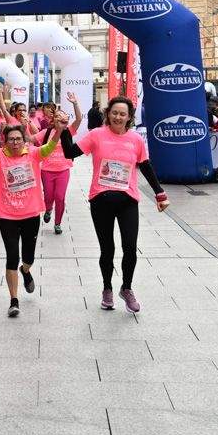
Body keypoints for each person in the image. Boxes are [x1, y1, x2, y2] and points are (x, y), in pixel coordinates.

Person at [72, 95, 168, 313]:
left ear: (129, 117)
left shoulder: (135, 139)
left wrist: (160, 193)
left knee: (130, 248)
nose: (118, 117)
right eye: (114, 112)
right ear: (108, 114)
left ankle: (126, 288)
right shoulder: (96, 135)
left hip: (128, 201)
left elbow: (145, 166)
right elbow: (70, 152)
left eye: (122, 114)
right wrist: (61, 130)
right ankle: (107, 289)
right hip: (101, 200)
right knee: (107, 249)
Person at [0, 117, 74, 318]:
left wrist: (59, 131)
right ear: (5, 141)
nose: (15, 143)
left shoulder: (33, 153)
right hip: (7, 216)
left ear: (24, 140)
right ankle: (14, 300)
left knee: (28, 258)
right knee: (12, 256)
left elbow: (49, 147)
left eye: (18, 139)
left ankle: (25, 271)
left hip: (30, 214)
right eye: (11, 139)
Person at [38, 100, 81, 234]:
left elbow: (79, 119)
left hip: (63, 170)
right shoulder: (46, 132)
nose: (60, 118)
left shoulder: (68, 131)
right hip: (46, 170)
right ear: (53, 119)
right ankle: (48, 209)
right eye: (57, 116)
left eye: (62, 115)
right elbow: (31, 138)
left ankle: (57, 223)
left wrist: (75, 103)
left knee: (60, 197)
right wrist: (24, 124)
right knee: (48, 196)